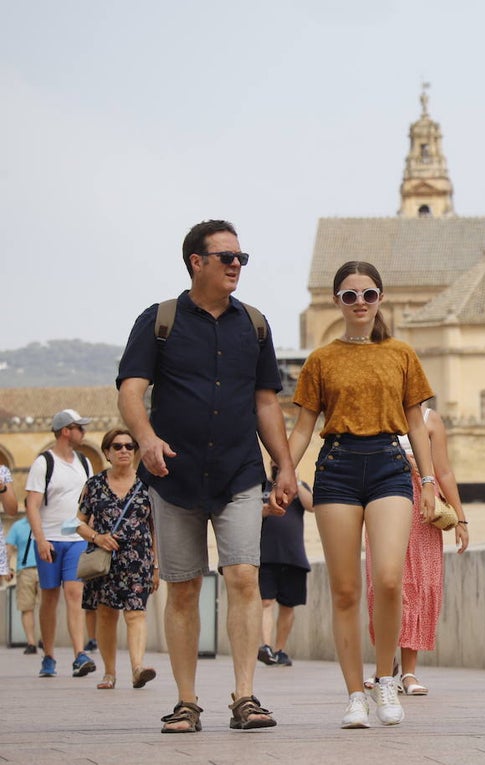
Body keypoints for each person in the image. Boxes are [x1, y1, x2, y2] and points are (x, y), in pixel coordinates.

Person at [117, 219, 298, 733]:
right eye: (227, 257)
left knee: (243, 576)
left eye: (242, 258)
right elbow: (131, 391)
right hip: (173, 474)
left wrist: (284, 464)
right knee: (183, 587)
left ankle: (245, 696)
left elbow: (267, 401)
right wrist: (146, 438)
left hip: (239, 471)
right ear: (197, 262)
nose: (237, 265)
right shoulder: (160, 321)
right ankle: (187, 702)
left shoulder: (255, 325)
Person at [285, 260, 436, 729]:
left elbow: (416, 424)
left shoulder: (401, 354)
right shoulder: (321, 359)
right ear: (336, 302)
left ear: (380, 298)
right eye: (349, 296)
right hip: (337, 467)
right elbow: (304, 427)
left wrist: (429, 483)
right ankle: (354, 694)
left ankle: (385, 679)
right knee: (346, 590)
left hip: (390, 464)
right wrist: (284, 475)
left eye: (368, 294)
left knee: (390, 577)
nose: (359, 303)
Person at [365, 404, 469, 696]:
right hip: (382, 497)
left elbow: (444, 471)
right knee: (382, 585)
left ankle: (409, 671)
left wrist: (460, 518)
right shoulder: (377, 411)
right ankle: (385, 666)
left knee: (419, 585)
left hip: (423, 506)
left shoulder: (429, 419)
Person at [73, 428, 158, 690]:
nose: (124, 451)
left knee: (136, 613)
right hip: (105, 560)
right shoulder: (95, 485)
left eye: (129, 446)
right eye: (117, 446)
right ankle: (109, 673)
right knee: (106, 615)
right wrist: (97, 537)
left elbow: (156, 527)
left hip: (139, 559)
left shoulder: (148, 484)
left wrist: (156, 565)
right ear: (107, 452)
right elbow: (78, 523)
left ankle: (137, 667)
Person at [24, 408, 97, 679]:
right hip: (50, 540)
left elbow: (88, 503)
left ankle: (79, 654)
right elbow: (31, 505)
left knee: (75, 594)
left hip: (76, 538)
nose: (84, 432)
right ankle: (49, 655)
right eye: (80, 427)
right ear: (66, 430)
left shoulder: (84, 462)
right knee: (50, 598)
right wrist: (40, 539)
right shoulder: (44, 463)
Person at [257, 465, 314, 668]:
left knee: (288, 605)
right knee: (266, 602)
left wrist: (296, 482)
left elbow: (312, 505)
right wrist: (264, 511)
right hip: (266, 555)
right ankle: (266, 647)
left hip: (293, 556)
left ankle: (279, 650)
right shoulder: (261, 486)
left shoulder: (300, 488)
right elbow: (250, 513)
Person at [5, 513, 41, 654]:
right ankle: (31, 642)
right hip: (25, 570)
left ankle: (44, 640)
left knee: (47, 605)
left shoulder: (47, 523)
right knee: (27, 607)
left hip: (45, 567)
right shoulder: (18, 526)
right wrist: (7, 568)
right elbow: (8, 549)